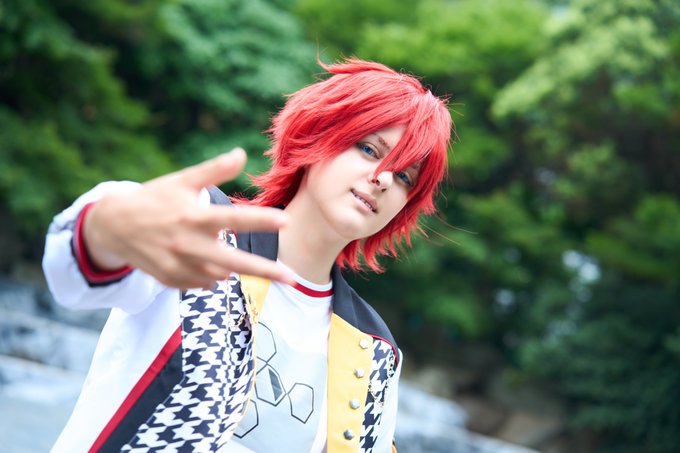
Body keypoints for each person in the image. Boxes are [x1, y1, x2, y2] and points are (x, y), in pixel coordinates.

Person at [43, 58, 452, 453]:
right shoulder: (201, 228)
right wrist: (104, 229)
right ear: (320, 136)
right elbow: (69, 272)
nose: (383, 178)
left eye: (405, 176)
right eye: (369, 149)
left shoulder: (376, 351)